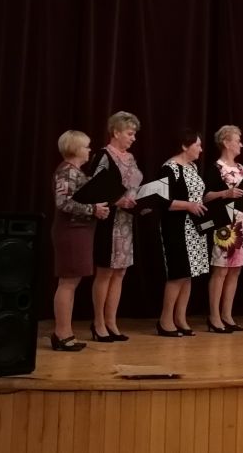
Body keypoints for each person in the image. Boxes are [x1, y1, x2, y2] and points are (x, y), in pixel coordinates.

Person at [155, 130, 220, 337]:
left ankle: (181, 318)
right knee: (177, 273)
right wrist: (188, 205)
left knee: (188, 274)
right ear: (185, 146)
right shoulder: (169, 168)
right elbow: (162, 201)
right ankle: (165, 320)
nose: (201, 149)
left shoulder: (192, 167)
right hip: (176, 227)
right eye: (197, 145)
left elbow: (200, 195)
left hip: (195, 228)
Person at [50, 130, 108, 351]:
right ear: (74, 148)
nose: (89, 150)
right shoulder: (66, 171)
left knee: (71, 282)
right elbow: (63, 203)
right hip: (70, 232)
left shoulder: (76, 172)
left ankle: (65, 332)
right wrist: (93, 209)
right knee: (68, 282)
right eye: (86, 146)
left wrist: (98, 208)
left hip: (80, 231)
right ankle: (62, 333)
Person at [89, 111, 141, 342]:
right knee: (105, 271)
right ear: (116, 132)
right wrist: (118, 200)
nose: (133, 138)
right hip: (108, 220)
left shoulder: (130, 158)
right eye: (130, 133)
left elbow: (134, 184)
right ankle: (98, 322)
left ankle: (111, 321)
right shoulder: (103, 155)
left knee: (120, 272)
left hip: (125, 222)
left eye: (134, 134)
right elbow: (93, 187)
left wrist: (139, 198)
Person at [202, 125, 243, 334]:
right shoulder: (216, 168)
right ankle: (214, 316)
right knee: (221, 270)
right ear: (226, 142)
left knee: (235, 270)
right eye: (237, 140)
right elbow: (205, 196)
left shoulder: (241, 168)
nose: (241, 144)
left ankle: (227, 314)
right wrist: (225, 193)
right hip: (224, 225)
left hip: (241, 224)